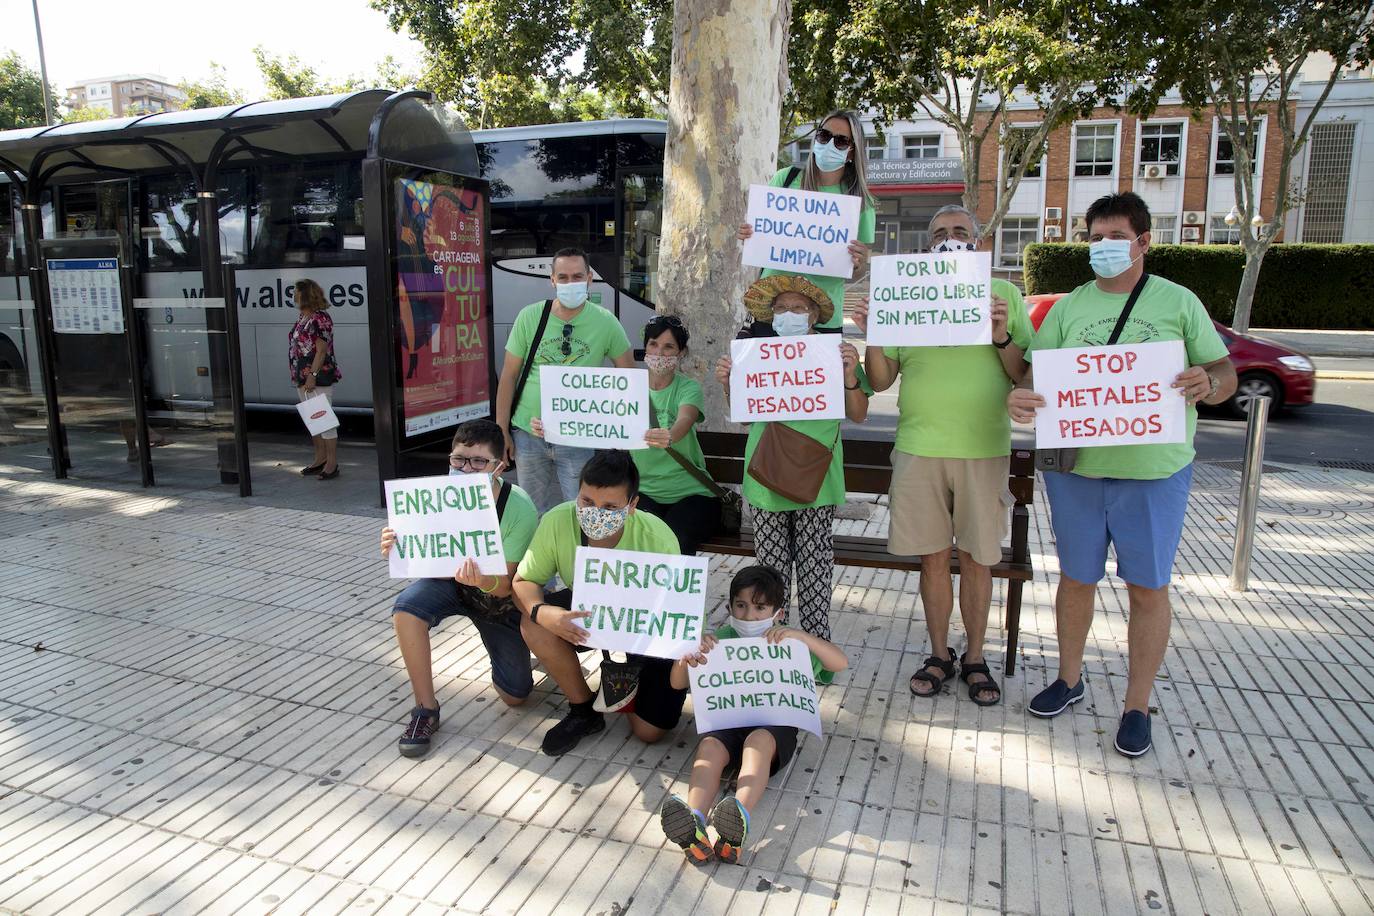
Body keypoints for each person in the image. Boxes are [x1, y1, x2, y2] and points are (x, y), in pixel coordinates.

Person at [1007, 192, 1237, 757]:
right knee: (1076, 580)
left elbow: (1224, 372)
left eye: (1116, 237)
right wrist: (1021, 398)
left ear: (1143, 242)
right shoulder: (1066, 308)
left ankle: (1137, 705)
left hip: (1153, 475)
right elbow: (1038, 379)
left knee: (1147, 589)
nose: (1105, 247)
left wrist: (1210, 385)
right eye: (1096, 238)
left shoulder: (1178, 302)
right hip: (1078, 473)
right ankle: (1069, 677)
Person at [853, 204, 1032, 706]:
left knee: (977, 561)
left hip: (982, 451)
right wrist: (872, 330)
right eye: (939, 233)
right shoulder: (905, 295)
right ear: (925, 245)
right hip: (917, 450)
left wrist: (1001, 335)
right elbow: (883, 379)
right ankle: (938, 653)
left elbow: (1023, 374)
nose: (949, 239)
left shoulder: (1005, 295)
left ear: (978, 242)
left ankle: (975, 657)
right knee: (932, 561)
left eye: (959, 232)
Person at [714, 275, 870, 680]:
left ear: (815, 313)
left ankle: (817, 663)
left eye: (798, 308)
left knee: (817, 578)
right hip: (766, 480)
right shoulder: (755, 354)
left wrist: (851, 374)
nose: (789, 315)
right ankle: (767, 664)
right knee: (768, 579)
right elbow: (746, 414)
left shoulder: (835, 353)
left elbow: (858, 413)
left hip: (818, 480)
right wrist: (731, 382)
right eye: (781, 308)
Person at [660, 565, 848, 864]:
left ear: (779, 613)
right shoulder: (720, 639)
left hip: (774, 728)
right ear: (730, 606)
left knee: (757, 742)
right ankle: (694, 823)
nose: (749, 616)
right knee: (709, 749)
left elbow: (838, 662)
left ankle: (736, 822)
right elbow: (676, 683)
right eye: (741, 606)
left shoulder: (789, 644)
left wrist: (803, 638)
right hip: (727, 723)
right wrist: (690, 653)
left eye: (761, 608)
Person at [511, 449, 687, 756]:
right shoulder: (556, 520)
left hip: (644, 621)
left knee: (649, 732)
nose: (595, 513)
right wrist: (544, 613)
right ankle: (582, 709)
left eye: (609, 507)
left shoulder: (658, 537)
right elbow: (524, 581)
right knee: (533, 623)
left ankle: (634, 679)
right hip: (588, 608)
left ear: (632, 505)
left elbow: (677, 605)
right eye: (586, 501)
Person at [379, 419, 539, 757]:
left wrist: (481, 580)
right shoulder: (433, 496)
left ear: (500, 465)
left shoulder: (519, 507)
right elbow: (418, 551)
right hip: (449, 585)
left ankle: (518, 654)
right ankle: (425, 709)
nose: (466, 469)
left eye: (478, 462)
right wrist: (394, 544)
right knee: (407, 608)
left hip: (496, 599)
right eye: (458, 460)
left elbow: (505, 586)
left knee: (516, 695)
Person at [495, 247, 636, 513]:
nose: (570, 283)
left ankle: (576, 555)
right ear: (552, 280)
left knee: (581, 511)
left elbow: (629, 377)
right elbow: (509, 375)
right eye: (563, 277)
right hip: (528, 434)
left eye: (577, 276)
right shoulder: (530, 316)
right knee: (530, 511)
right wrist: (501, 430)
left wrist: (616, 426)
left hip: (578, 438)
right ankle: (537, 556)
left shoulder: (606, 322)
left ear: (590, 278)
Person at [735, 109, 877, 332]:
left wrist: (859, 262)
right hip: (773, 312)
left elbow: (857, 270)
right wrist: (748, 235)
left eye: (840, 141)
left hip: (823, 319)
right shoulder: (785, 178)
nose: (829, 144)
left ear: (851, 152)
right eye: (823, 135)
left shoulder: (860, 201)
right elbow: (760, 237)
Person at [632, 314, 722, 555]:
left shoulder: (688, 387)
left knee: (675, 540)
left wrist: (669, 435)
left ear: (681, 352)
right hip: (644, 493)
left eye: (669, 346)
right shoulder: (628, 387)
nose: (659, 353)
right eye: (653, 344)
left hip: (692, 493)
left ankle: (677, 594)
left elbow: (686, 418)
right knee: (639, 541)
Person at [289, 278, 342, 480]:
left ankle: (332, 463)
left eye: (296, 292)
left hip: (316, 378)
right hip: (302, 377)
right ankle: (319, 459)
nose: (293, 295)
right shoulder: (303, 316)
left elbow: (321, 350)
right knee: (313, 421)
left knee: (324, 420)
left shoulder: (320, 318)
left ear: (305, 295)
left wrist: (312, 375)